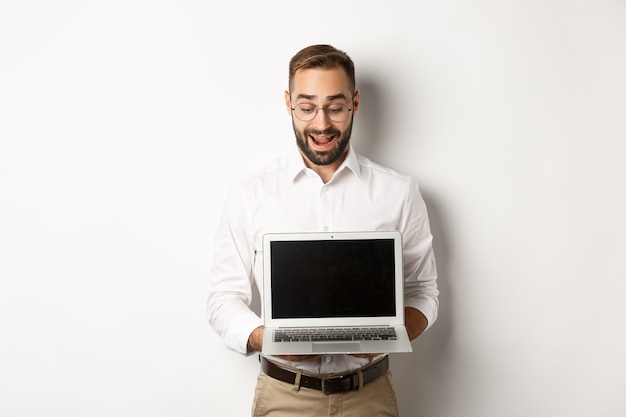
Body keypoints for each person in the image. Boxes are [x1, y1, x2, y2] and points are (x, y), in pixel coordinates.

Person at [206, 44, 439, 417]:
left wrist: (387, 337)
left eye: (334, 106)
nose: (321, 123)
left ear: (355, 103)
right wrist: (268, 339)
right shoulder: (251, 193)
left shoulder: (398, 192)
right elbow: (222, 298)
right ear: (288, 104)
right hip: (284, 395)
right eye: (307, 106)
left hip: (370, 394)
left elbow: (423, 293)